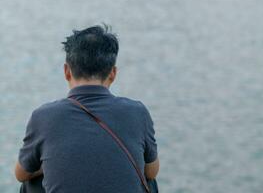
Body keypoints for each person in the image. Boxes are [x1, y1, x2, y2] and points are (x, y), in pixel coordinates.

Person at [15, 25, 159, 193]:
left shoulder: (42, 116)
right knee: (149, 181)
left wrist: (48, 165)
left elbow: (21, 174)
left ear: (67, 71)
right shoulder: (138, 112)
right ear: (113, 73)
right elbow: (151, 171)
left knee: (31, 183)